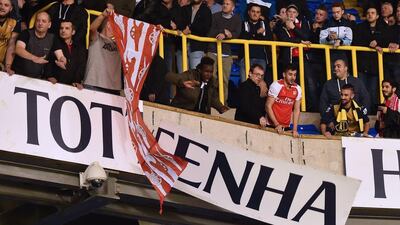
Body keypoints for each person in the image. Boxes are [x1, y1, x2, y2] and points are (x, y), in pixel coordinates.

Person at [353, 6, 391, 114]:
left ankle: (373, 114)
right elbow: (356, 41)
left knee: (374, 91)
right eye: (368, 13)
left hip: (375, 66)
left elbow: (386, 41)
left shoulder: (384, 28)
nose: (370, 15)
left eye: (373, 13)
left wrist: (378, 45)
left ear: (378, 16)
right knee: (362, 91)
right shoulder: (360, 27)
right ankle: (362, 114)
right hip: (362, 65)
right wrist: (370, 44)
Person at [206, 0, 241, 104]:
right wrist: (223, 32)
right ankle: (209, 101)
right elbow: (210, 31)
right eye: (223, 4)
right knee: (212, 78)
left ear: (233, 7)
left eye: (227, 4)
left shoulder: (237, 19)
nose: (224, 5)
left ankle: (222, 102)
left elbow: (237, 33)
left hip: (226, 53)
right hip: (212, 51)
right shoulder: (215, 16)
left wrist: (227, 35)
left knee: (224, 80)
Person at [83, 4, 122, 95]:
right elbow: (92, 29)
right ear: (105, 25)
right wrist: (103, 15)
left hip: (114, 88)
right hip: (93, 84)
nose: (112, 27)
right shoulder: (97, 37)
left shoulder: (121, 44)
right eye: (110, 24)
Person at [12, 11, 54, 78]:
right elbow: (18, 49)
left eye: (43, 21)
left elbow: (59, 53)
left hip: (37, 79)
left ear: (49, 25)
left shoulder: (52, 38)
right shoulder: (26, 33)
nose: (40, 23)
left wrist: (61, 59)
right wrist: (34, 58)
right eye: (38, 20)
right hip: (18, 75)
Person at [47, 20, 87, 88]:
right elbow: (48, 61)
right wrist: (49, 76)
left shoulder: (80, 48)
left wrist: (77, 81)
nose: (63, 30)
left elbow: (81, 66)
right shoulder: (53, 42)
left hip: (71, 87)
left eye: (67, 28)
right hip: (53, 84)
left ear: (73, 32)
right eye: (61, 28)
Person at [239, 3, 272, 84]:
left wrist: (251, 35)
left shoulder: (265, 24)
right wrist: (256, 33)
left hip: (261, 58)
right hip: (246, 58)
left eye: (257, 12)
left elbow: (269, 39)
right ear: (249, 12)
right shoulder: (243, 23)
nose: (255, 14)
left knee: (259, 85)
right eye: (253, 11)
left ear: (260, 14)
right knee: (245, 83)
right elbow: (243, 37)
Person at [266, 63, 301, 137]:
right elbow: (268, 106)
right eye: (290, 74)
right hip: (271, 125)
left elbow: (296, 110)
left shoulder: (298, 88)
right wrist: (277, 124)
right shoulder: (276, 85)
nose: (293, 77)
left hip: (286, 127)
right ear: (284, 74)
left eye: (294, 75)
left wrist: (295, 129)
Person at [176, 0, 212, 70]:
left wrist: (190, 30)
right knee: (182, 76)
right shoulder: (184, 9)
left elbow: (206, 28)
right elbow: (179, 22)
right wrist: (183, 29)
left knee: (195, 76)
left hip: (197, 47)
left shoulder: (206, 11)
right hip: (181, 47)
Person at [320, 2, 353, 68]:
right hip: (329, 54)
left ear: (342, 12)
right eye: (334, 12)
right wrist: (328, 38)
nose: (336, 14)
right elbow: (321, 41)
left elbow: (349, 41)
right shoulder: (327, 24)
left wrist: (340, 41)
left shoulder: (347, 24)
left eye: (338, 12)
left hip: (344, 54)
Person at [0, 0, 20, 74]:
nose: (2, 7)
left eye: (6, 5)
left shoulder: (15, 23)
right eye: (0, 4)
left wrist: (8, 66)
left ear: (11, 8)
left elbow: (11, 45)